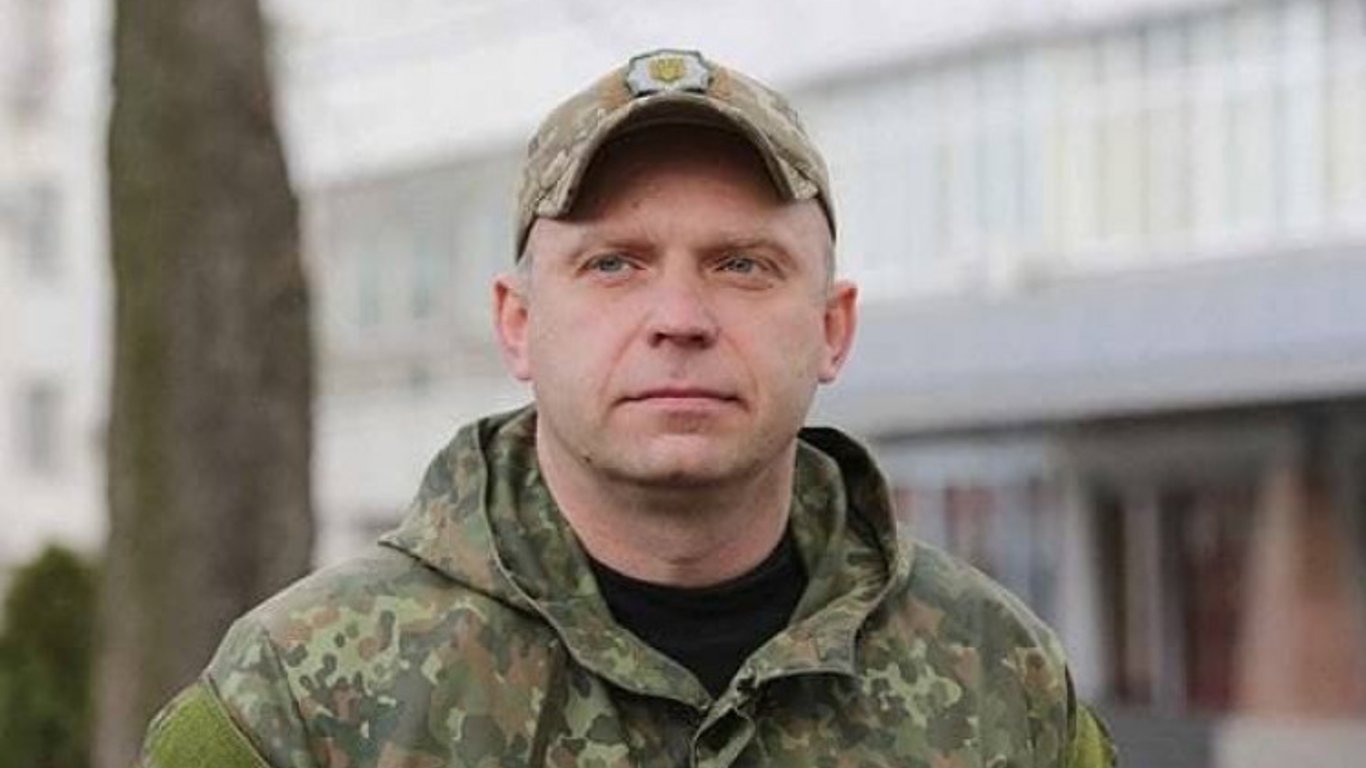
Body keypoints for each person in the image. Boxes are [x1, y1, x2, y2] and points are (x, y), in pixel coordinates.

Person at [139, 49, 1117, 767]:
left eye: (743, 265)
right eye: (614, 264)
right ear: (518, 325)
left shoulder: (1002, 683)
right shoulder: (300, 701)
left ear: (832, 328)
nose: (679, 319)